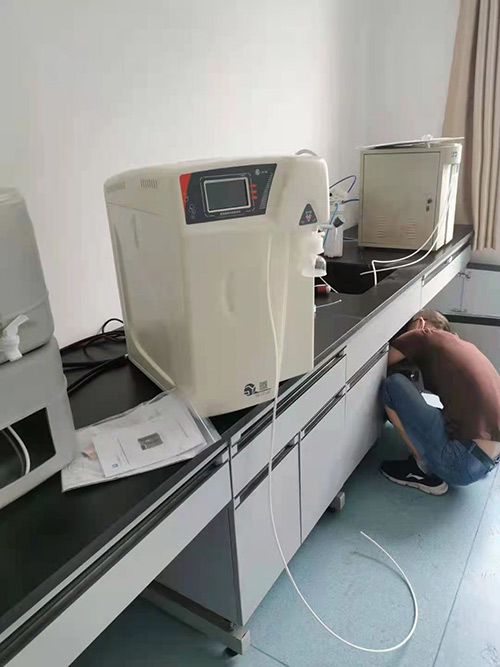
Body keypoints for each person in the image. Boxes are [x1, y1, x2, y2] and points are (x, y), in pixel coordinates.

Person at [380, 309, 500, 495]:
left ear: (420, 323)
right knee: (436, 409)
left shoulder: (422, 334)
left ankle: (421, 469)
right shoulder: (465, 346)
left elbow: (379, 363)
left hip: (460, 462)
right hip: (487, 462)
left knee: (392, 385)